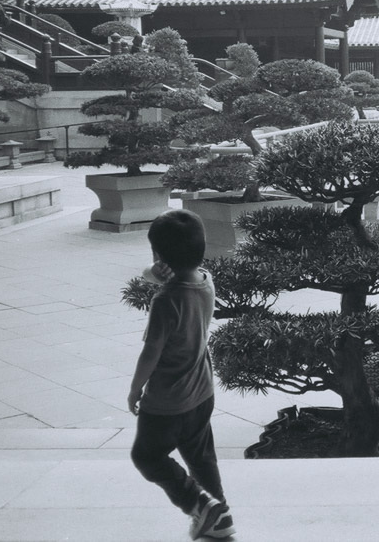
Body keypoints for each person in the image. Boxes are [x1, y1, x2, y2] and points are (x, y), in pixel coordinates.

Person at [128, 210, 235, 540]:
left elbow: (151, 352)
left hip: (167, 402)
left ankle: (199, 503)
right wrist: (157, 269)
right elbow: (153, 275)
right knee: (201, 456)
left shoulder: (166, 300)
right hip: (201, 393)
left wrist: (135, 388)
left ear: (158, 253)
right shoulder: (204, 280)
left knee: (146, 456)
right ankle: (220, 511)